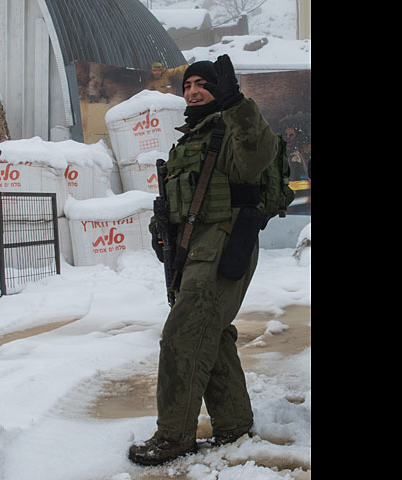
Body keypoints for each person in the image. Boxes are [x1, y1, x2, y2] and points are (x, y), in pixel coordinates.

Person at [128, 55, 280, 466]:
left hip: (224, 241)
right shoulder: (189, 139)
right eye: (188, 85)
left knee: (184, 334)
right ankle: (233, 423)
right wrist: (164, 231)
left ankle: (174, 436)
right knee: (208, 332)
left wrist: (236, 104)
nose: (193, 91)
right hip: (191, 247)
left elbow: (255, 154)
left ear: (218, 90)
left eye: (203, 84)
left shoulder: (231, 127)